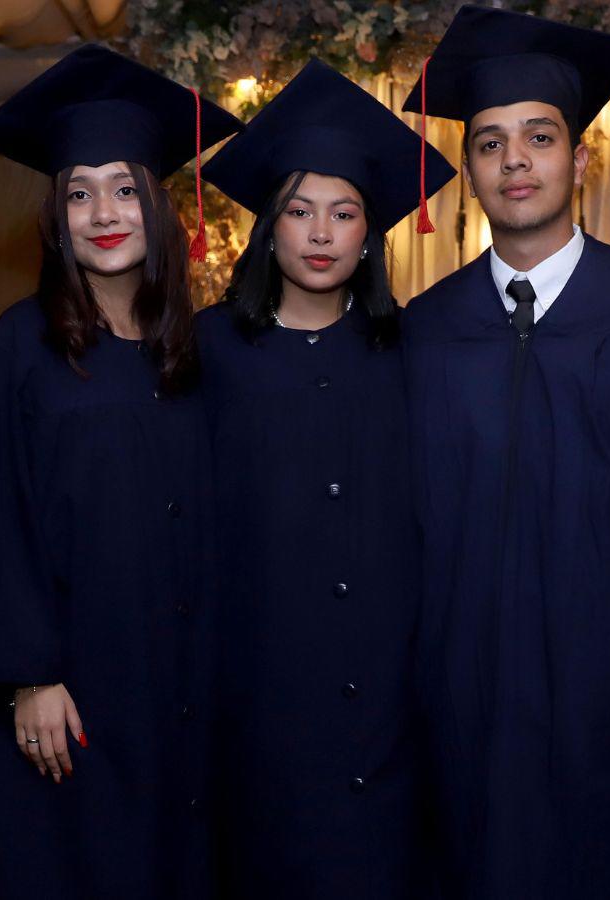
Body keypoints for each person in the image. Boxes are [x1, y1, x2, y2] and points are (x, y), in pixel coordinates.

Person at [398, 7, 610, 897]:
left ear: (581, 161)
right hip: (454, 691)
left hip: (602, 684)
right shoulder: (422, 333)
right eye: (491, 143)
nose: (515, 161)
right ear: (466, 172)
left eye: (540, 138)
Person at [0, 44, 240, 900]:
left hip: (175, 683)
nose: (102, 213)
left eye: (123, 189)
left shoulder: (190, 351)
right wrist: (30, 675)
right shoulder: (21, 348)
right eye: (79, 192)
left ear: (157, 205)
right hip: (66, 691)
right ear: (55, 215)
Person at [196, 59, 455, 899]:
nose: (319, 233)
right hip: (253, 689)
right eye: (298, 211)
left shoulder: (414, 353)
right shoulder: (206, 352)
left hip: (389, 699)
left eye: (342, 214)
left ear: (369, 231)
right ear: (268, 227)